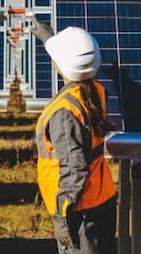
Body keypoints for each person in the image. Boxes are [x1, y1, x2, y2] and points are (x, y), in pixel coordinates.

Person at [35, 26, 117, 254]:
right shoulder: (96, 91)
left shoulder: (64, 112)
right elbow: (77, 61)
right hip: (101, 195)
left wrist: (62, 213)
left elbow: (74, 168)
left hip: (80, 209)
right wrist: (49, 40)